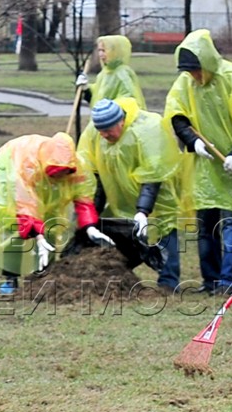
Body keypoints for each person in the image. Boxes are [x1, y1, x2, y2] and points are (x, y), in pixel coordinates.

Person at [163, 29, 232, 294]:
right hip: (205, 165)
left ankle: (228, 281)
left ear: (207, 62)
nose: (194, 76)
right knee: (206, 225)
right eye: (189, 72)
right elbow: (176, 114)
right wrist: (193, 141)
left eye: (197, 70)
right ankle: (210, 280)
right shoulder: (186, 82)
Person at [0, 132, 110, 296]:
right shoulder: (27, 167)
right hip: (8, 168)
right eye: (56, 173)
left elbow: (84, 200)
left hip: (39, 180)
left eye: (64, 173)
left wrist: (90, 227)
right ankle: (10, 279)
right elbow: (25, 207)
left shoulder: (79, 169)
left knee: (52, 223)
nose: (60, 177)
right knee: (15, 227)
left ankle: (44, 275)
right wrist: (39, 237)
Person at [75, 97, 183, 290]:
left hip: (154, 194)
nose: (104, 135)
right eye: (101, 131)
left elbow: (153, 174)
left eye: (108, 130)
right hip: (119, 194)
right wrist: (92, 216)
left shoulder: (147, 130)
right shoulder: (94, 134)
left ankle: (168, 281)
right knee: (121, 233)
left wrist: (143, 211)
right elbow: (95, 174)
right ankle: (119, 277)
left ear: (121, 121)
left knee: (164, 229)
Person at [75, 34, 144, 109]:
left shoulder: (122, 74)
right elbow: (98, 96)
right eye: (99, 50)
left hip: (115, 120)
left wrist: (108, 109)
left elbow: (128, 100)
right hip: (103, 119)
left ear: (115, 52)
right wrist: (86, 88)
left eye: (104, 50)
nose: (100, 54)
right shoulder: (104, 73)